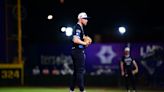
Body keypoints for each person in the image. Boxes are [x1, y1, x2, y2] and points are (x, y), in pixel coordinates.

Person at [69, 12, 92, 92]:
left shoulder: (80, 28)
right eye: (85, 18)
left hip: (76, 51)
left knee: (76, 72)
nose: (87, 20)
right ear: (80, 19)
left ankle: (71, 89)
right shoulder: (78, 27)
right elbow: (75, 40)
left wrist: (85, 44)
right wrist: (84, 43)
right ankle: (82, 90)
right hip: (78, 51)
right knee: (80, 71)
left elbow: (78, 41)